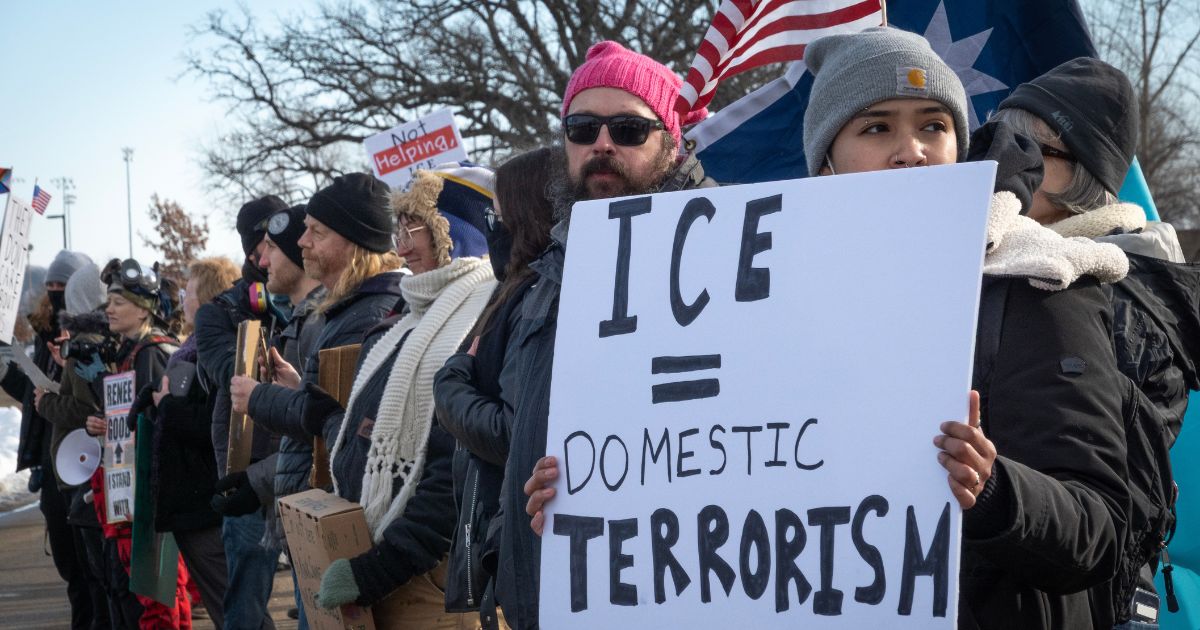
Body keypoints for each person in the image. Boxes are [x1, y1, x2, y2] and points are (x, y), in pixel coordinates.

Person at [496, 40, 715, 629]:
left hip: (676, 594)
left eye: (627, 128)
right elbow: (525, 421)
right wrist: (513, 527)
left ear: (673, 140)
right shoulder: (554, 267)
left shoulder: (728, 251)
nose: (601, 144)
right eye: (582, 127)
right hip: (555, 587)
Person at [992, 57, 1200, 628]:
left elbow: (1089, 485)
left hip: (1094, 603)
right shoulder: (999, 258)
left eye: (1036, 149)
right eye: (1002, 136)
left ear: (1086, 176)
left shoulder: (1122, 294)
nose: (1006, 160)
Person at [280, 163, 495, 628]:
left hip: (430, 578)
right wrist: (332, 418)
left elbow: (454, 475)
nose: (401, 245)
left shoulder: (481, 323)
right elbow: (376, 438)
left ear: (452, 236)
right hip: (383, 554)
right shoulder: (407, 320)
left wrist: (379, 570)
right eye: (398, 227)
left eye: (414, 228)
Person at [228, 173, 404, 624]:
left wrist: (260, 397)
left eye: (317, 231)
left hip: (347, 522)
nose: (300, 242)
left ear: (356, 242)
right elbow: (329, 407)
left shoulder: (366, 314)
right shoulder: (349, 309)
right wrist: (293, 390)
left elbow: (335, 420)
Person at [434, 147, 556, 629]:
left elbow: (512, 431)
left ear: (527, 216)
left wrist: (451, 385)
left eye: (499, 216)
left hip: (514, 531)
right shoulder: (511, 290)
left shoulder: (531, 297)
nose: (494, 227)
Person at [193, 194, 288, 630]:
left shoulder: (314, 299)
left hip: (308, 463)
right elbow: (219, 371)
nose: (272, 253)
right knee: (246, 600)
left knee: (320, 596)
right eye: (264, 244)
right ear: (251, 250)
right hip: (247, 469)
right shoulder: (221, 311)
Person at [83, 258, 192, 628]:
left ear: (142, 308)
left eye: (118, 301)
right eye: (109, 301)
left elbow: (164, 424)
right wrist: (103, 422)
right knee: (124, 595)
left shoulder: (153, 353)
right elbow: (128, 419)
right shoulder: (129, 352)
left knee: (152, 602)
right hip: (126, 499)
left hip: (146, 504)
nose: (109, 309)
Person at [141, 257, 242, 629]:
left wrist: (167, 405)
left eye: (189, 290)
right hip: (192, 501)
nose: (182, 297)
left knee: (234, 609)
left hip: (205, 503)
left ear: (207, 297)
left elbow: (211, 425)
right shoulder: (192, 347)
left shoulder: (213, 350)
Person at [2, 249, 97, 630]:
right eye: (50, 286)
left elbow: (85, 398)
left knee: (91, 567)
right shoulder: (43, 333)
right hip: (51, 455)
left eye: (63, 286)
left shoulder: (89, 335)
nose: (55, 292)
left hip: (86, 458)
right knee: (68, 562)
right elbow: (33, 395)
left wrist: (65, 372)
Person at [34, 261, 112, 630]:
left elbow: (85, 408)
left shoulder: (88, 345)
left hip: (83, 472)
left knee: (94, 580)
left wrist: (45, 402)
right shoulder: (101, 340)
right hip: (86, 470)